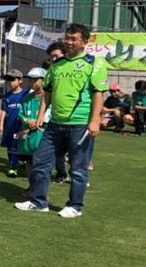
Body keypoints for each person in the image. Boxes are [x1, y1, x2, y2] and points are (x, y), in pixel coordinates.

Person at [15, 23, 108, 218]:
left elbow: (98, 94)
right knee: (40, 162)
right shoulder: (56, 65)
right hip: (54, 124)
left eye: (74, 39)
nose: (69, 42)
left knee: (78, 169)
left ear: (85, 41)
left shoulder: (95, 63)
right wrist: (41, 115)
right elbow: (47, 92)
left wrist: (95, 121)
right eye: (67, 38)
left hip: (80, 124)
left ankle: (75, 206)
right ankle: (39, 202)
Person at [17, 67, 48, 197]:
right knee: (28, 163)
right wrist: (26, 120)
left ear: (44, 80)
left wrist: (32, 126)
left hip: (41, 136)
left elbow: (47, 116)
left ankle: (41, 192)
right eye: (30, 80)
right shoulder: (27, 98)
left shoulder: (48, 97)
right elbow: (20, 113)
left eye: (36, 80)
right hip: (27, 138)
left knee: (40, 165)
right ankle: (31, 187)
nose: (32, 83)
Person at [44, 41, 69, 183]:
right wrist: (41, 115)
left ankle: (79, 178)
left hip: (75, 121)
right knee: (55, 152)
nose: (53, 60)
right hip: (54, 119)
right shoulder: (52, 71)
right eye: (51, 57)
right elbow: (46, 94)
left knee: (75, 154)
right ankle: (60, 173)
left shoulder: (79, 69)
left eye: (56, 56)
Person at [0, 69, 26, 177]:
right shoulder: (7, 96)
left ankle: (16, 166)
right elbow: (4, 111)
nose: (10, 82)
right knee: (10, 146)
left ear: (20, 80)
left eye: (13, 79)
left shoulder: (26, 94)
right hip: (9, 126)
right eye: (8, 80)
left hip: (21, 125)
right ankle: (12, 165)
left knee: (18, 146)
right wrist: (1, 125)